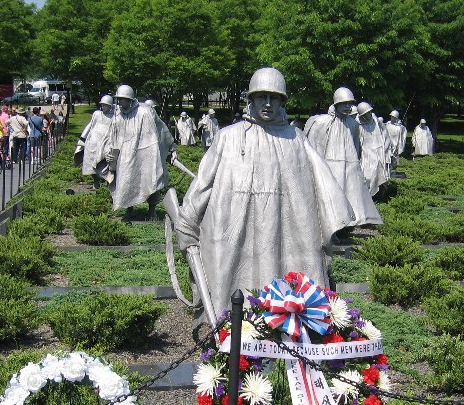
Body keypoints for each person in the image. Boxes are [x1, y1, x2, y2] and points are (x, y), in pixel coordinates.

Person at [175, 67, 354, 318]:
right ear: (251, 99)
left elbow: (325, 193)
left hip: (287, 237)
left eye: (274, 97)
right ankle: (231, 332)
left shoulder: (297, 140)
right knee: (232, 295)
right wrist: (187, 222)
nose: (268, 103)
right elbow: (203, 185)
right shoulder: (228, 137)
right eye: (262, 97)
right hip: (236, 235)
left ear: (282, 101)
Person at [304, 87, 382, 229]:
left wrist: (356, 163)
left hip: (350, 164)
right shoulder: (324, 122)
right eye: (344, 103)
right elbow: (315, 144)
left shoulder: (353, 124)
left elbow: (355, 144)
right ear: (336, 104)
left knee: (352, 194)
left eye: (350, 104)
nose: (347, 107)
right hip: (331, 164)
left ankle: (350, 223)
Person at [103, 84, 175, 221]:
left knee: (151, 180)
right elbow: (112, 135)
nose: (119, 102)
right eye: (118, 99)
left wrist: (171, 147)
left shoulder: (145, 112)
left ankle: (152, 210)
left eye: (122, 99)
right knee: (125, 181)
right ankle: (129, 210)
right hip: (125, 156)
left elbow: (161, 129)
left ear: (130, 99)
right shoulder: (117, 115)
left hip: (146, 153)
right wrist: (109, 151)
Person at [78, 94, 115, 189]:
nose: (103, 106)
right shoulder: (97, 114)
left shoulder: (114, 117)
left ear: (110, 105)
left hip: (105, 144)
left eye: (105, 105)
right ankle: (96, 182)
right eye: (102, 104)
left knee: (106, 164)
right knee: (91, 165)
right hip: (92, 143)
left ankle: (108, 182)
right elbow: (90, 125)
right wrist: (83, 138)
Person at [355, 102, 388, 196]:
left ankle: (381, 194)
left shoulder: (377, 122)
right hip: (366, 153)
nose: (369, 115)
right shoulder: (357, 125)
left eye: (369, 112)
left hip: (378, 152)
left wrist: (384, 149)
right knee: (367, 175)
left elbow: (385, 134)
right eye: (366, 113)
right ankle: (369, 195)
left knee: (380, 174)